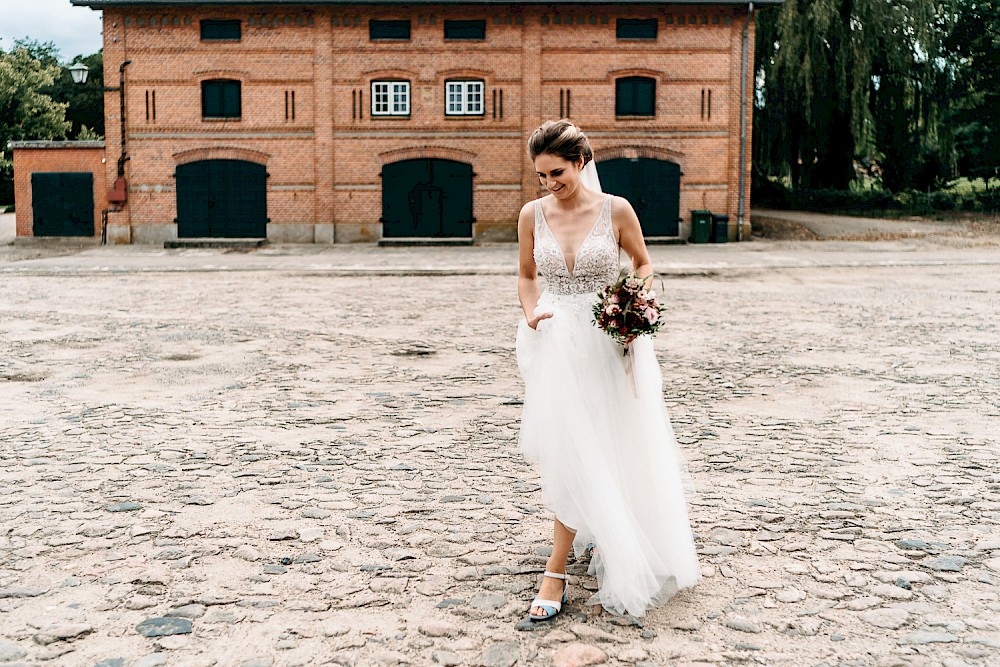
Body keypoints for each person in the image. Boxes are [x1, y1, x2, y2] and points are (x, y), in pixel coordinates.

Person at [515, 120, 700, 620]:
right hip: (556, 343)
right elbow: (527, 276)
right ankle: (567, 553)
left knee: (606, 439)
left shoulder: (616, 210)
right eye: (540, 176)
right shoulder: (532, 215)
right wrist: (531, 313)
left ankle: (557, 570)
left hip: (609, 340)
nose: (548, 183)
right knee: (571, 446)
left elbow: (642, 264)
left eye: (556, 172)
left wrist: (635, 304)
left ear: (581, 162)